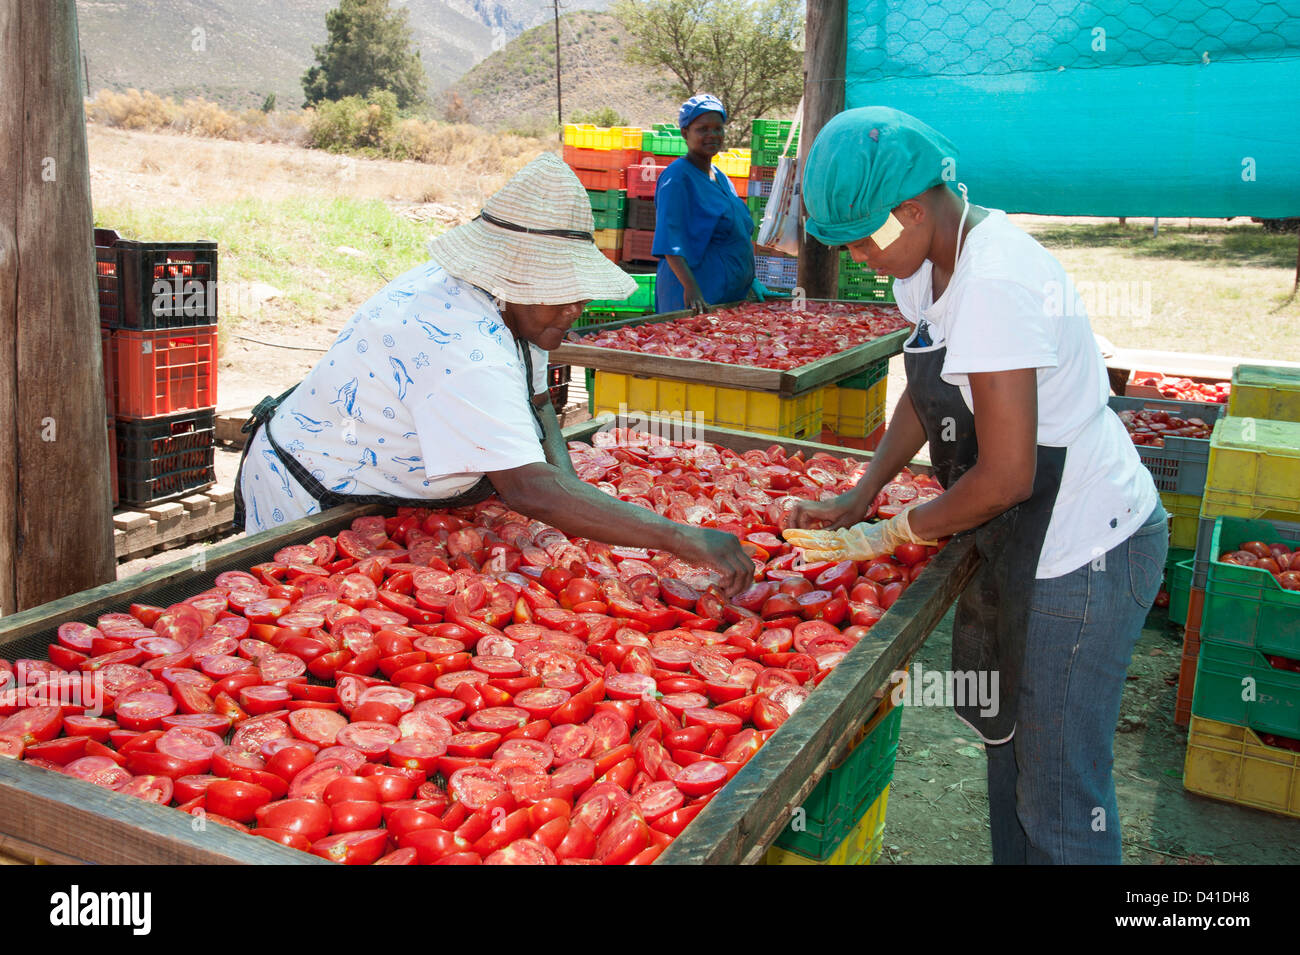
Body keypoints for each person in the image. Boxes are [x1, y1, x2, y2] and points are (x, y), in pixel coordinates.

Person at [783, 107, 1167, 864]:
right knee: (1014, 757)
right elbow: (927, 391)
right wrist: (864, 491)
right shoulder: (926, 265)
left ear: (914, 210)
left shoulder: (997, 279)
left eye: (866, 238)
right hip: (1026, 534)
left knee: (1058, 793)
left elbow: (1006, 474)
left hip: (1085, 547)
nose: (861, 256)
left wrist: (896, 529)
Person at [235, 152, 753, 596]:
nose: (579, 304)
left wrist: (569, 487)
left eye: (579, 286)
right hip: (312, 498)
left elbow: (540, 402)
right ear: (511, 281)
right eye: (563, 288)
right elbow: (527, 490)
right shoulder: (464, 344)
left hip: (379, 492)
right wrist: (681, 537)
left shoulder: (519, 307)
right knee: (298, 607)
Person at [652, 94, 759, 313]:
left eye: (718, 129)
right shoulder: (677, 178)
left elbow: (737, 233)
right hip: (697, 297)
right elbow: (669, 239)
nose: (712, 135)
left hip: (727, 296)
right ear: (685, 133)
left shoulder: (720, 177)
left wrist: (752, 282)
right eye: (703, 129)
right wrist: (691, 288)